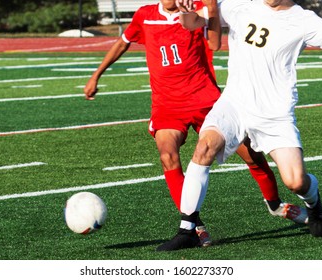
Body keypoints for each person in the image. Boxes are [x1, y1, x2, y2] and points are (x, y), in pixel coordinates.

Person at [156, 0, 322, 251]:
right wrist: (187, 14)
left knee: (295, 181)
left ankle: (313, 201)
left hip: (274, 114)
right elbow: (193, 23)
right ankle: (187, 230)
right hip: (234, 104)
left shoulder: (304, 19)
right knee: (205, 148)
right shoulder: (238, 6)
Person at [84, 0, 307, 248]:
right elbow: (123, 42)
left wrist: (208, 12)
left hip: (205, 100)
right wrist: (96, 75)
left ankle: (275, 205)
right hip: (167, 105)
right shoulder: (144, 16)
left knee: (251, 154)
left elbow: (214, 44)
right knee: (167, 154)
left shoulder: (197, 10)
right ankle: (193, 224)